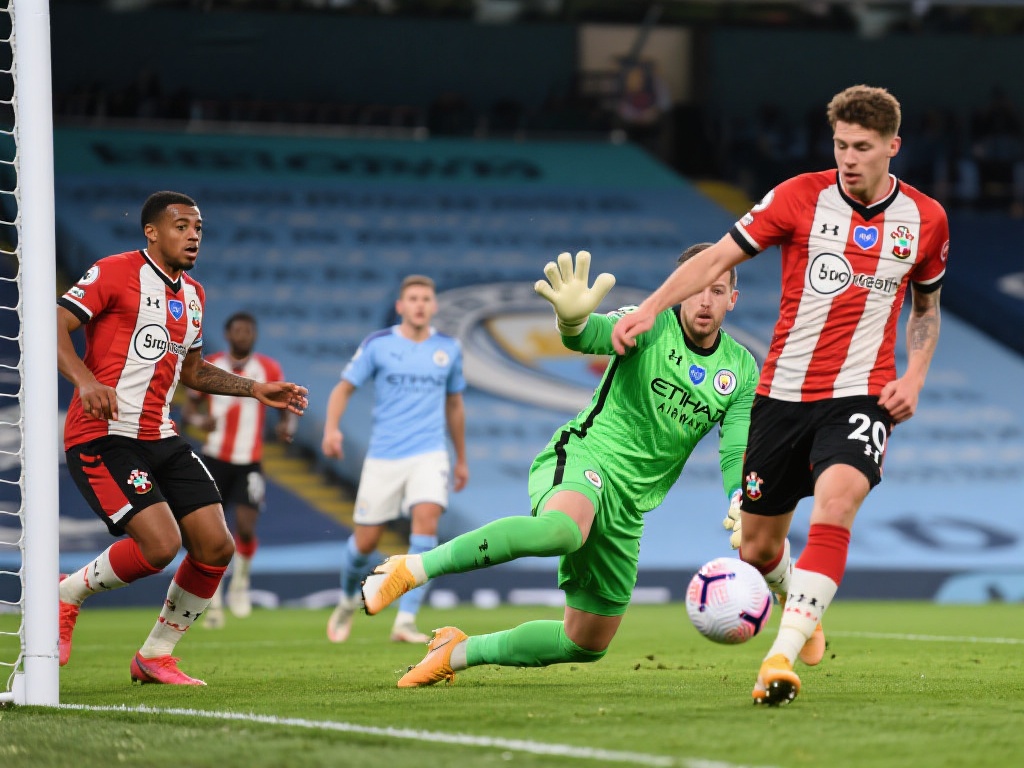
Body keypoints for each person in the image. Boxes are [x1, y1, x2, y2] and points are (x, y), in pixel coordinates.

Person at [611, 85, 949, 705]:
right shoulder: (798, 196)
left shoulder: (927, 220)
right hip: (782, 395)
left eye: (862, 147)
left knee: (837, 503)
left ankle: (779, 657)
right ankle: (804, 606)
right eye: (841, 145)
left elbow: (925, 309)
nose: (849, 157)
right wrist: (651, 308)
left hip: (862, 394)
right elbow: (716, 258)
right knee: (758, 546)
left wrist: (915, 377)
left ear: (893, 146)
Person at [360, 246, 758, 688]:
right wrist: (573, 323)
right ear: (679, 290)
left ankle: (456, 651)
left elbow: (734, 447)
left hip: (629, 504)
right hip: (587, 456)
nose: (705, 300)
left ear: (732, 299)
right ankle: (412, 568)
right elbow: (592, 337)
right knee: (563, 530)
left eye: (717, 290)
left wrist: (739, 496)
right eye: (696, 288)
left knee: (585, 643)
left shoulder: (741, 369)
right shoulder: (650, 323)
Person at [57, 190, 308, 685]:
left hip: (161, 435)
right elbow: (54, 324)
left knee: (216, 546)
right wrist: (86, 381)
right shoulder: (114, 271)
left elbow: (193, 371)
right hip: (104, 435)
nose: (193, 236)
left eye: (198, 228)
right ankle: (66, 594)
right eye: (181, 226)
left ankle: (155, 656)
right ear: (151, 232)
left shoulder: (194, 295)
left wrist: (254, 389)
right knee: (160, 546)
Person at [321, 274, 468, 645]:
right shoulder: (378, 345)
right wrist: (331, 429)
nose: (419, 305)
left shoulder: (448, 349)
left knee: (426, 525)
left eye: (426, 299)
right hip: (385, 456)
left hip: (430, 454)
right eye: (413, 299)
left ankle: (405, 620)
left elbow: (454, 405)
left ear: (434, 306)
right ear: (401, 306)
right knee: (365, 542)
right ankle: (346, 599)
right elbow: (343, 388)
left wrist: (461, 458)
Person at [180, 311, 296, 628]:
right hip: (214, 459)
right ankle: (214, 601)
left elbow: (285, 405)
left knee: (245, 526)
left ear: (254, 336)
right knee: (211, 534)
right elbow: (188, 411)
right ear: (228, 334)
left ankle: (241, 584)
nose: (243, 335)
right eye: (238, 330)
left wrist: (287, 426)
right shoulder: (210, 364)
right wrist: (201, 420)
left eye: (248, 331)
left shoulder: (268, 368)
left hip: (250, 461)